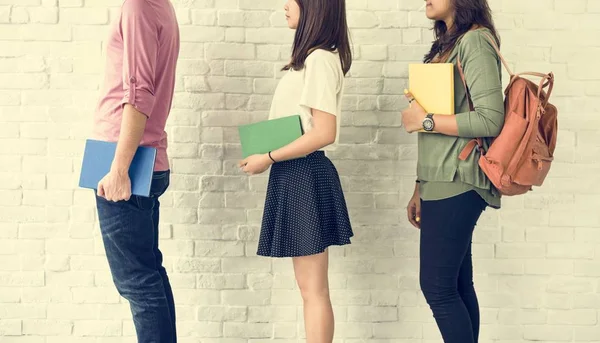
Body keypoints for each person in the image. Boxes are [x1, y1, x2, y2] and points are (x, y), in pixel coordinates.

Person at [238, 0, 353, 341]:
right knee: (310, 289)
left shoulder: (320, 59)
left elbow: (323, 132)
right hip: (296, 173)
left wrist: (268, 157)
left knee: (313, 290)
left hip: (302, 173)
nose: (284, 5)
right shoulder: (312, 59)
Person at [400, 0, 505, 342]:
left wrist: (426, 120)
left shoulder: (475, 41)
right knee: (457, 285)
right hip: (439, 181)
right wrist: (420, 185)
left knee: (437, 287)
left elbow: (491, 118)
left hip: (459, 181)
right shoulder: (448, 45)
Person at [91, 0, 180, 342]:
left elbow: (139, 92)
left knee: (137, 282)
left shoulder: (139, 5)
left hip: (124, 158)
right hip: (139, 155)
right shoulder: (159, 5)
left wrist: (119, 169)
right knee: (148, 275)